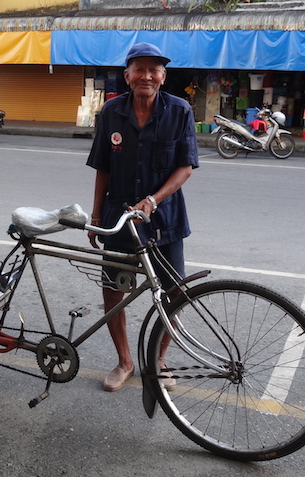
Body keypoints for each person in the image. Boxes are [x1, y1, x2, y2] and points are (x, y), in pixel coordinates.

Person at [85, 42, 200, 392]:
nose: (146, 75)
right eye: (139, 69)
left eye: (154, 70)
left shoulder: (180, 111)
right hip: (118, 217)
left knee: (175, 291)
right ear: (127, 76)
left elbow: (186, 167)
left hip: (164, 218)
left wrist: (153, 200)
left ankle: (159, 360)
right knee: (113, 289)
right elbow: (102, 167)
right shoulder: (111, 112)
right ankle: (124, 361)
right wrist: (95, 214)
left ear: (163, 77)